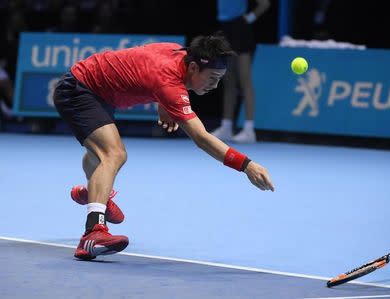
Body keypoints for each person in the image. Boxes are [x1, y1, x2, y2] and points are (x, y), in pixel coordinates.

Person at [53, 32, 275, 261]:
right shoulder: (168, 82)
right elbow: (201, 138)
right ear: (193, 69)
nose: (215, 86)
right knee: (114, 153)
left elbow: (144, 57)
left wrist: (161, 100)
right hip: (78, 89)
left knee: (99, 154)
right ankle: (93, 233)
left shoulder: (177, 52)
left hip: (98, 91)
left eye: (219, 79)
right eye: (212, 78)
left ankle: (95, 194)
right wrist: (246, 165)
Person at [211, 0, 270, 143]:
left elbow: (264, 4)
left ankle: (249, 130)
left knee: (245, 80)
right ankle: (226, 127)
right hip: (225, 29)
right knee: (228, 80)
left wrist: (248, 19)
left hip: (240, 29)